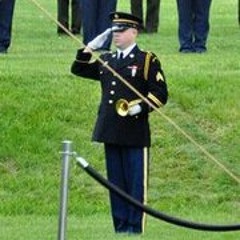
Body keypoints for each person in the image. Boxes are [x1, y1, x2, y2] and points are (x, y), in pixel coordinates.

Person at [71, 12, 168, 234]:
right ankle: (120, 227)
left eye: (122, 31)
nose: (117, 36)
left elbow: (160, 93)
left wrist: (139, 107)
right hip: (110, 129)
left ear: (134, 32)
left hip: (134, 130)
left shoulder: (146, 60)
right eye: (114, 31)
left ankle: (135, 228)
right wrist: (88, 49)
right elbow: (78, 69)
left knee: (135, 184)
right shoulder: (107, 60)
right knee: (115, 184)